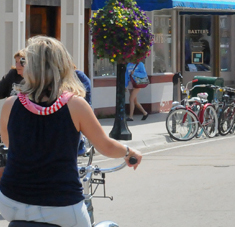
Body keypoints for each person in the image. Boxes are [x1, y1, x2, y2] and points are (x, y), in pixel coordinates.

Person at [0, 36, 142, 227]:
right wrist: (129, 152)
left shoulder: (11, 104)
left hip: (11, 201)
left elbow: (10, 143)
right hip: (61, 205)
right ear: (63, 66)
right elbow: (106, 147)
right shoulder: (75, 105)